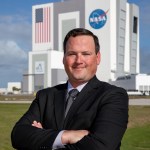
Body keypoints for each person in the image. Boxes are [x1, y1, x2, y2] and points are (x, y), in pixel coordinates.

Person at [11, 28, 128, 150]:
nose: (78, 61)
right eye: (72, 54)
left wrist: (44, 140)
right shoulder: (45, 96)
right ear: (63, 58)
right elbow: (18, 135)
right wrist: (66, 136)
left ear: (97, 58)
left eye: (86, 54)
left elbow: (101, 146)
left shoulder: (113, 96)